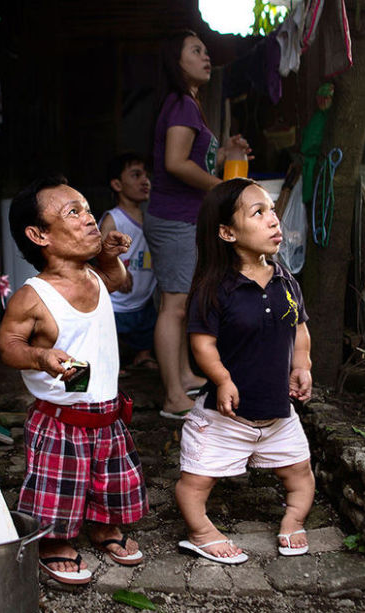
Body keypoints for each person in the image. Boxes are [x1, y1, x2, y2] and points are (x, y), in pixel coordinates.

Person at [0, 175, 148, 586]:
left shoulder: (95, 276)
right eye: (73, 212)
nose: (89, 220)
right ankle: (54, 541)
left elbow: (117, 281)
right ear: (39, 235)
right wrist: (40, 356)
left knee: (109, 477)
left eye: (86, 208)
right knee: (60, 483)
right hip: (62, 417)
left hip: (106, 410)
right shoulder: (35, 295)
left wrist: (111, 258)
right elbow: (8, 345)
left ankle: (103, 526)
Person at [175, 178, 315, 564]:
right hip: (227, 416)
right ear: (227, 232)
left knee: (301, 474)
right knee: (195, 483)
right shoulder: (215, 288)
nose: (274, 220)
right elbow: (202, 344)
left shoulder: (286, 281)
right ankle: (201, 531)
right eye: (259, 212)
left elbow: (299, 329)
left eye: (272, 210)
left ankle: (293, 518)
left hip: (277, 413)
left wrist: (302, 364)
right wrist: (222, 379)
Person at [145, 30, 250, 419]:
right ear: (178, 62)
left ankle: (185, 373)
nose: (205, 56)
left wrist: (225, 151)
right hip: (174, 219)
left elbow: (196, 159)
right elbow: (175, 163)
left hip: (182, 218)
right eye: (195, 51)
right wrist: (224, 188)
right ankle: (174, 395)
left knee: (182, 302)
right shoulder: (181, 105)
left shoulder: (189, 104)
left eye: (206, 51)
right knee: (173, 306)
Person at [99, 153, 158, 372]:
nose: (145, 181)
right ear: (117, 184)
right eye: (136, 175)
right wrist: (117, 267)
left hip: (143, 296)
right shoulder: (114, 218)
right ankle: (108, 363)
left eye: (146, 175)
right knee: (108, 331)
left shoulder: (151, 219)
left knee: (147, 324)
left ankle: (143, 355)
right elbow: (99, 249)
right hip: (117, 300)